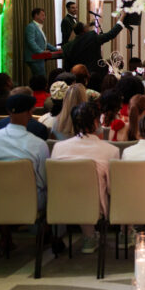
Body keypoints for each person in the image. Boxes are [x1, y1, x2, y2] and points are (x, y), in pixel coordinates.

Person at [50, 101, 119, 254]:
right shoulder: (110, 150)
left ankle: (89, 236)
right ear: (96, 122)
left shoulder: (58, 148)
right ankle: (95, 236)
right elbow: (112, 188)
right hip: (95, 208)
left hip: (60, 206)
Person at [0, 93, 50, 210]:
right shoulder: (39, 145)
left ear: (8, 112)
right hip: (29, 204)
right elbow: (43, 181)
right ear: (30, 113)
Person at [24, 7, 59, 77]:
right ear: (36, 15)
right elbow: (31, 42)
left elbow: (45, 43)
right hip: (34, 58)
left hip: (39, 57)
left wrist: (56, 49)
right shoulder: (31, 27)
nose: (44, 17)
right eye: (42, 15)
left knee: (39, 78)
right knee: (40, 78)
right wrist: (41, 51)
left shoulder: (38, 27)